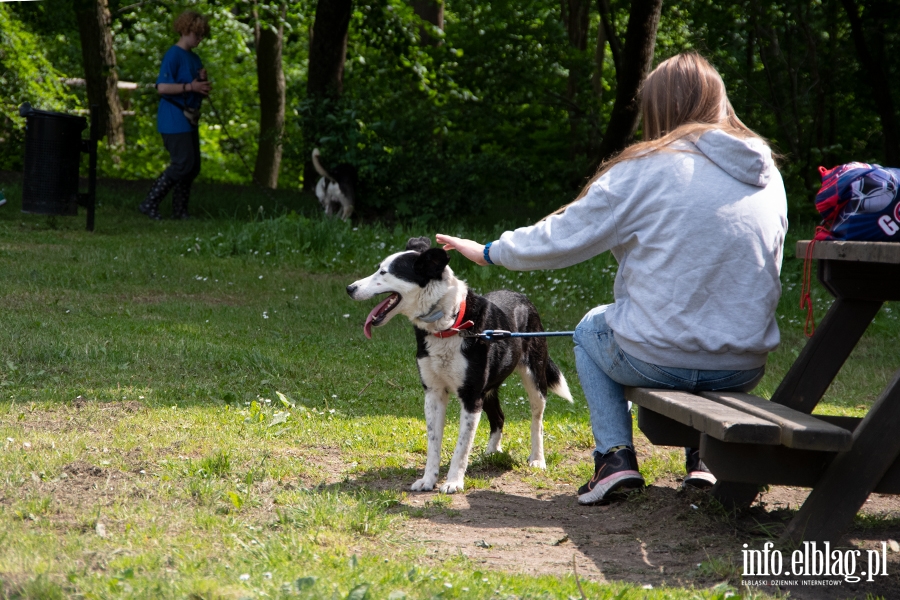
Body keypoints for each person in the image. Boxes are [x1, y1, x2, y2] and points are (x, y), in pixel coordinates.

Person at [436, 52, 788, 506]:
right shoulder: (767, 173)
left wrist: (489, 252)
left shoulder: (645, 169)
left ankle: (614, 459)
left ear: (658, 108)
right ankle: (701, 460)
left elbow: (561, 236)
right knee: (685, 325)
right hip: (744, 363)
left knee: (591, 328)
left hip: (660, 357)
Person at [139, 10, 212, 220]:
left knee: (193, 166)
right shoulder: (173, 55)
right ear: (185, 30)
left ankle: (180, 210)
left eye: (202, 36)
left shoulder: (195, 58)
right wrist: (191, 86)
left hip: (189, 118)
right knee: (183, 164)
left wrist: (202, 86)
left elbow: (195, 90)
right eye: (196, 34)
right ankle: (149, 202)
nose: (199, 39)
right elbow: (162, 87)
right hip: (173, 117)